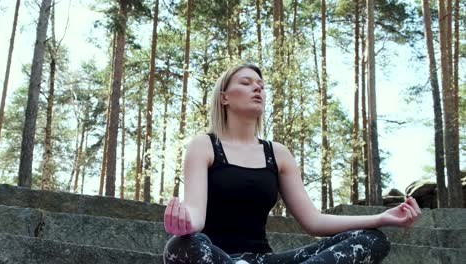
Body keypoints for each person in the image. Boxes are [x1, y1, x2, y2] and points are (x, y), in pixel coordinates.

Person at [163, 64, 421, 264]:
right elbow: (196, 217)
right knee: (181, 245)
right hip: (217, 257)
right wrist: (184, 223)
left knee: (370, 238)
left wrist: (382, 217)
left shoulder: (278, 154)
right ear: (224, 98)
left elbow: (313, 222)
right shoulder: (204, 145)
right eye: (246, 82)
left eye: (261, 85)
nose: (258, 89)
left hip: (265, 259)